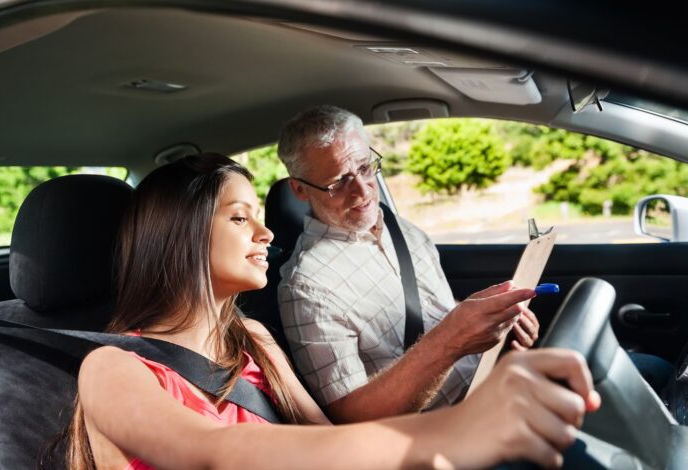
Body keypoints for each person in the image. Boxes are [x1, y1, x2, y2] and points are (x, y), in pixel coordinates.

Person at [70, 153, 600, 469]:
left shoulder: (251, 339)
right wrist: (457, 430)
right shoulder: (111, 369)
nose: (267, 232)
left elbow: (323, 442)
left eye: (260, 215)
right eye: (239, 218)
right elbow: (218, 453)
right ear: (178, 237)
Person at [277, 105, 540, 422]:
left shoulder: (399, 228)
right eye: (338, 182)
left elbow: (431, 309)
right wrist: (452, 340)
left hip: (495, 386)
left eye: (364, 167)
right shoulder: (306, 288)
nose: (362, 191)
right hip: (444, 431)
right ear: (299, 189)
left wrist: (493, 319)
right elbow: (352, 418)